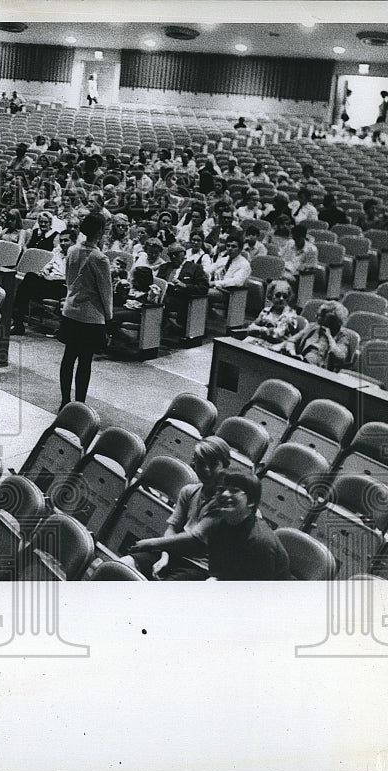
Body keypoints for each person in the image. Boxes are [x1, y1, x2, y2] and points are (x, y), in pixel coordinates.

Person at [126, 469, 291, 580]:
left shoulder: (260, 542)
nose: (225, 494)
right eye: (221, 489)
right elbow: (219, 570)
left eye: (234, 491)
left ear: (252, 502)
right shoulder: (221, 524)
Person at [123, 436, 232, 580]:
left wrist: (150, 543)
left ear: (224, 466)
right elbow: (173, 528)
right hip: (173, 555)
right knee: (123, 565)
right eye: (200, 463)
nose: (206, 469)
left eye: (213, 464)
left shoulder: (227, 500)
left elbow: (195, 538)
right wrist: (164, 555)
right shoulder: (189, 491)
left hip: (200, 567)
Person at [57, 212, 113, 408]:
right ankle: (79, 403)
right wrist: (109, 316)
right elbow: (106, 291)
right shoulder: (100, 258)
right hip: (90, 315)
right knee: (84, 361)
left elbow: (68, 279)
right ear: (100, 232)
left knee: (68, 356)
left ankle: (65, 400)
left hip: (71, 310)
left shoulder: (72, 250)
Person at [275, 300, 351, 371]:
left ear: (331, 320)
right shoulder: (312, 327)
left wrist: (329, 337)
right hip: (301, 365)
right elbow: (291, 341)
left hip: (321, 373)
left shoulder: (343, 337)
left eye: (320, 316)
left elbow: (340, 357)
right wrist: (293, 354)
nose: (316, 317)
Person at [244, 279, 299, 350]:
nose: (281, 299)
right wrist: (263, 330)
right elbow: (251, 327)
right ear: (271, 295)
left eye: (285, 296)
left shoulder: (290, 315)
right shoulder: (266, 310)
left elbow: (278, 334)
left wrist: (260, 329)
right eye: (278, 295)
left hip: (276, 348)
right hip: (259, 342)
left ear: (288, 299)